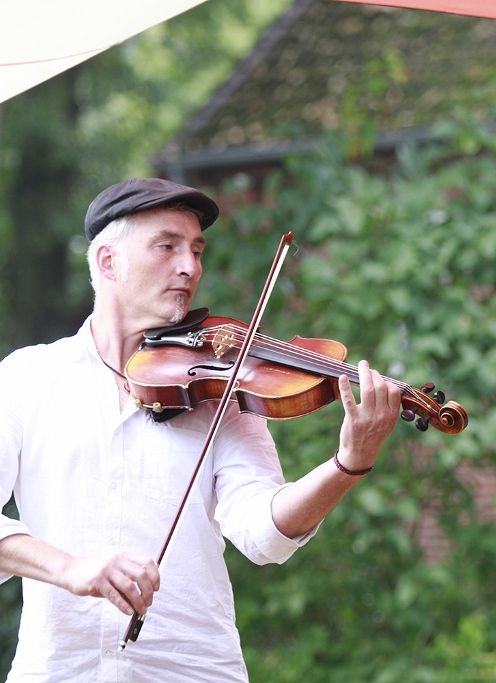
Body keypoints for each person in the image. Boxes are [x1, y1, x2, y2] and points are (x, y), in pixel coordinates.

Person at [0, 178, 402, 682]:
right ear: (107, 262)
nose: (189, 266)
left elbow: (263, 534)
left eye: (195, 249)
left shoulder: (219, 386)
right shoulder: (27, 379)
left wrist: (348, 464)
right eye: (166, 246)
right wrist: (72, 569)